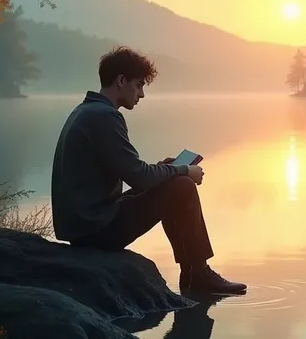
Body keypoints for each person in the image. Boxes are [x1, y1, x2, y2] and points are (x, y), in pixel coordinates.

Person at [51, 45, 246, 294]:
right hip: (95, 230)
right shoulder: (104, 117)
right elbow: (140, 177)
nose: (141, 94)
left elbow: (133, 171)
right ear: (121, 81)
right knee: (182, 186)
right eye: (139, 85)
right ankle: (198, 273)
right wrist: (183, 170)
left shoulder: (87, 111)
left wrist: (166, 170)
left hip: (86, 223)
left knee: (170, 182)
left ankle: (192, 273)